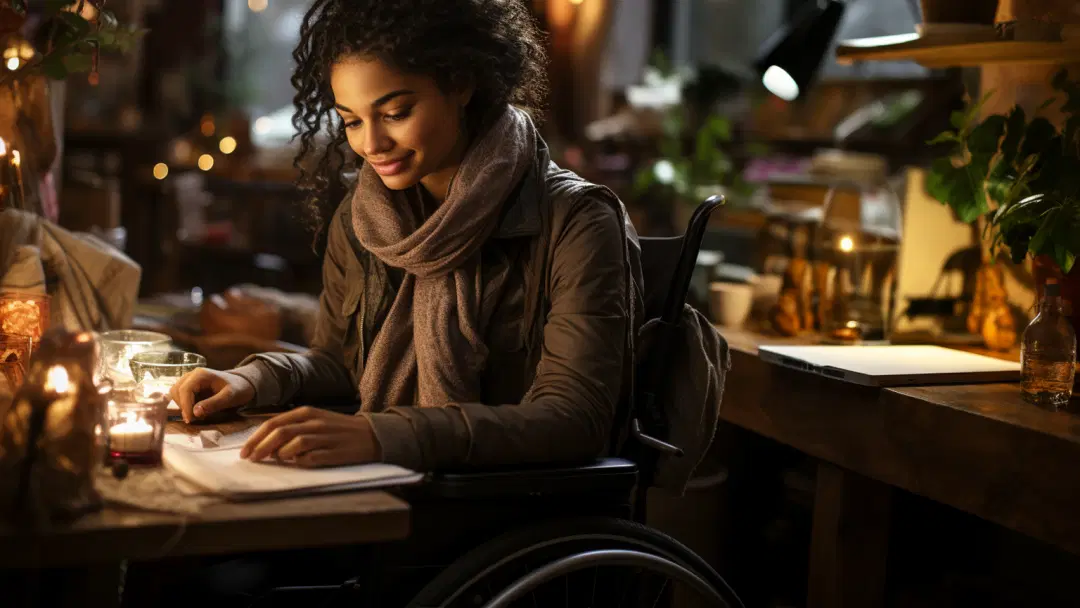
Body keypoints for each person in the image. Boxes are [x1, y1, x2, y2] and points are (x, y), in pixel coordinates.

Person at [170, 0, 643, 474]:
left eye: (396, 112)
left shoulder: (578, 221)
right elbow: (339, 364)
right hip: (389, 482)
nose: (371, 145)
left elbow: (575, 419)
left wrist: (382, 435)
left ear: (461, 84)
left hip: (512, 498)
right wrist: (252, 379)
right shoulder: (363, 218)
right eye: (352, 121)